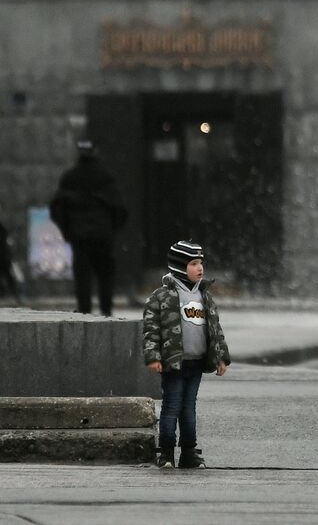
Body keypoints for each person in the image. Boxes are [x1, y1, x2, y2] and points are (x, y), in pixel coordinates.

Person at [142, 239, 232, 470]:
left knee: (189, 407)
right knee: (172, 406)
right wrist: (153, 356)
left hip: (196, 363)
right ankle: (167, 451)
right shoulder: (162, 297)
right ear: (180, 267)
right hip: (173, 363)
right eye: (193, 263)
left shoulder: (204, 296)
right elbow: (151, 330)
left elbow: (215, 329)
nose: (200, 268)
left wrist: (221, 356)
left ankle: (189, 451)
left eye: (201, 263)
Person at [50, 140, 127, 315]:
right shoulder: (106, 177)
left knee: (82, 280)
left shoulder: (69, 178)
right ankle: (106, 314)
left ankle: (85, 315)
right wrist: (111, 230)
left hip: (79, 238)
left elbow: (57, 208)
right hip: (102, 237)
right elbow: (120, 209)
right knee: (105, 277)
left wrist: (67, 230)